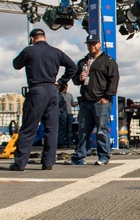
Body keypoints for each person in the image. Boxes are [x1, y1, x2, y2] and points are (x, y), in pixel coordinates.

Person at [9, 28, 76, 171]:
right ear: (45, 37)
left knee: (28, 128)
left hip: (36, 90)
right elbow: (73, 67)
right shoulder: (56, 52)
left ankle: (20, 163)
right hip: (53, 91)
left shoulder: (29, 50)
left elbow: (16, 64)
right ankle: (48, 163)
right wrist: (61, 82)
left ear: (32, 38)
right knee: (51, 129)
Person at [67, 33, 119, 165]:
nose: (91, 46)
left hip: (100, 101)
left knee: (102, 130)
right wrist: (79, 78)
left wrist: (107, 97)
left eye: (94, 44)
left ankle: (103, 156)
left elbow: (114, 79)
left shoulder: (108, 61)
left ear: (99, 44)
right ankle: (79, 156)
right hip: (85, 101)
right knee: (83, 130)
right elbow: (75, 80)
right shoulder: (83, 62)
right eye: (89, 44)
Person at [57, 82, 75, 147]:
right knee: (62, 128)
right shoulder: (58, 95)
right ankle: (61, 142)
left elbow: (73, 104)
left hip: (68, 113)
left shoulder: (69, 95)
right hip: (62, 114)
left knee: (69, 129)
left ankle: (68, 142)